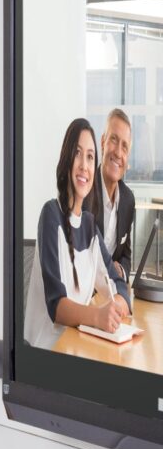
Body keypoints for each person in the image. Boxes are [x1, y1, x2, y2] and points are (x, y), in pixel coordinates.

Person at [30, 115, 136, 349]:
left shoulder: (89, 226)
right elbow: (56, 306)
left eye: (90, 157)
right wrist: (98, 315)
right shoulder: (50, 214)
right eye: (77, 153)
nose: (84, 166)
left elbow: (117, 281)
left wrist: (117, 304)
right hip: (48, 349)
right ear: (66, 158)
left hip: (77, 345)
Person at [97, 106, 139, 294]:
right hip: (82, 297)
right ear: (103, 142)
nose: (118, 153)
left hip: (110, 296)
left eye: (125, 146)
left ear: (127, 157)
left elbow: (126, 256)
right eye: (113, 140)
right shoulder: (84, 188)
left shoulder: (128, 200)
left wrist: (120, 270)